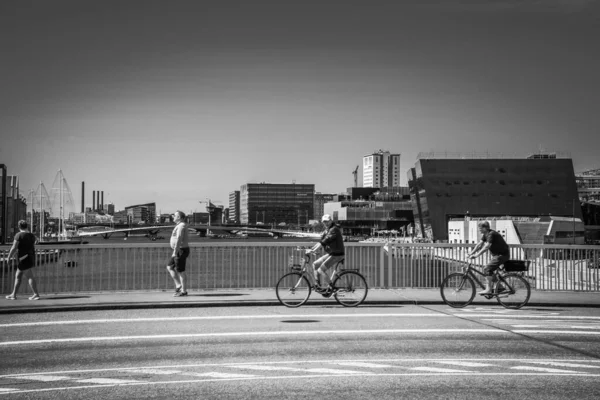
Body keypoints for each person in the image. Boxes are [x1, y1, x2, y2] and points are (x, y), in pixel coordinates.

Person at [306, 214, 345, 297]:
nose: (326, 223)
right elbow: (321, 241)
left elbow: (325, 241)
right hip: (332, 253)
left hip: (337, 254)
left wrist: (313, 250)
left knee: (321, 270)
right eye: (324, 222)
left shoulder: (334, 229)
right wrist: (311, 249)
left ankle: (332, 288)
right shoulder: (327, 230)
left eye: (327, 221)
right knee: (315, 264)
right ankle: (318, 286)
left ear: (331, 221)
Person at [468, 221, 510, 295]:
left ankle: (488, 289)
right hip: (497, 255)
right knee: (490, 271)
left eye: (480, 228)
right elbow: (479, 245)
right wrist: (471, 253)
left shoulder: (491, 234)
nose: (479, 230)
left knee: (486, 268)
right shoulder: (485, 234)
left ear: (485, 228)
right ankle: (500, 287)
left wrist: (476, 255)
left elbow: (487, 246)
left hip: (502, 255)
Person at [5, 220, 40, 300]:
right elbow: (34, 243)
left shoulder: (18, 235)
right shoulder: (31, 235)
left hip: (23, 258)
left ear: (19, 226)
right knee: (18, 276)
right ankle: (13, 294)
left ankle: (36, 294)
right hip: (30, 257)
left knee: (29, 276)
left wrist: (9, 257)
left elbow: (14, 247)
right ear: (26, 226)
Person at [167, 210, 190, 297]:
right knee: (169, 267)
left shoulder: (181, 226)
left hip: (180, 250)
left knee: (181, 271)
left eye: (175, 216)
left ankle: (183, 291)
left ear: (179, 217)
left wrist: (175, 252)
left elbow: (179, 239)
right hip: (178, 250)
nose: (173, 217)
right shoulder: (179, 225)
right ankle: (178, 285)